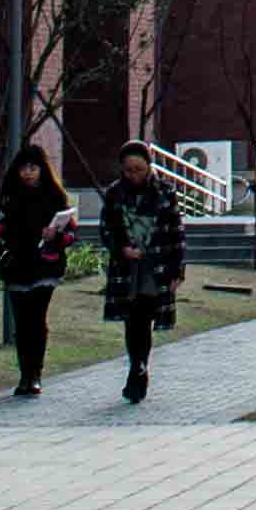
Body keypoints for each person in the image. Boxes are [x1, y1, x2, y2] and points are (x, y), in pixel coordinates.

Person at [95, 164, 189, 405]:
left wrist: (178, 268)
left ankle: (139, 367)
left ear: (148, 167)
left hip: (154, 266)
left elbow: (177, 231)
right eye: (128, 170)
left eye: (139, 169)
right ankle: (137, 366)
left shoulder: (164, 192)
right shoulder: (115, 193)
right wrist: (122, 249)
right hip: (126, 268)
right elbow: (106, 230)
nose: (133, 174)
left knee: (144, 317)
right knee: (132, 319)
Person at [0, 148, 78, 396]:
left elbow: (71, 233)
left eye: (33, 168)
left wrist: (55, 236)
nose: (28, 173)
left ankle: (35, 374)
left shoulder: (54, 197)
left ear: (42, 170)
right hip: (16, 267)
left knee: (37, 319)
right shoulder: (8, 199)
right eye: (23, 168)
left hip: (45, 266)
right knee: (22, 322)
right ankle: (24, 375)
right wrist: (4, 255)